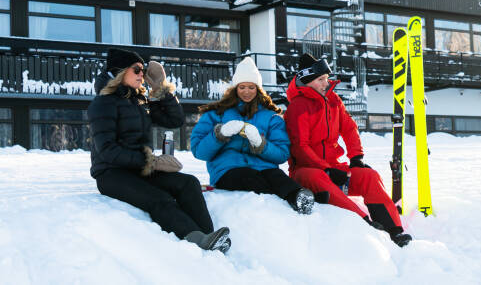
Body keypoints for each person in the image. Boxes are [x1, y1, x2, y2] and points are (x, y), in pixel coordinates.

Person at [88, 48, 231, 253]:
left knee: (188, 183)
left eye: (143, 70)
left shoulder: (138, 101)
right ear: (120, 71)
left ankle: (208, 237)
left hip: (140, 168)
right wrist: (152, 162)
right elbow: (107, 151)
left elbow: (175, 120)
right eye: (136, 70)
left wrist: (160, 89)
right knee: (159, 199)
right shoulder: (102, 103)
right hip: (111, 173)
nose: (142, 74)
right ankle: (197, 239)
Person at [285, 53, 412, 247]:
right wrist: (326, 170)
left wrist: (356, 157)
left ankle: (394, 230)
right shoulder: (297, 107)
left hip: (334, 167)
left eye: (326, 78)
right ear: (307, 81)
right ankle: (365, 223)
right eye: (321, 79)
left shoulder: (333, 100)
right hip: (305, 171)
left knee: (369, 176)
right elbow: (300, 147)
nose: (326, 83)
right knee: (319, 177)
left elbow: (349, 128)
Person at [189, 58, 316, 214]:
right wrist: (220, 134)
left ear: (258, 89)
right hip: (228, 170)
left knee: (277, 177)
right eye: (242, 87)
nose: (247, 92)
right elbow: (199, 151)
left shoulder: (271, 117)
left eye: (251, 87)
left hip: (264, 167)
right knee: (249, 177)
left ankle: (300, 197)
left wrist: (261, 144)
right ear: (235, 88)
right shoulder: (216, 114)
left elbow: (282, 154)